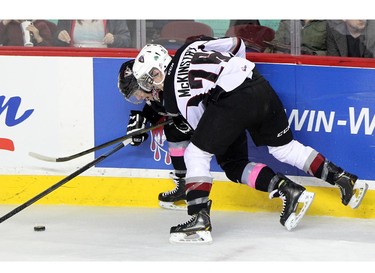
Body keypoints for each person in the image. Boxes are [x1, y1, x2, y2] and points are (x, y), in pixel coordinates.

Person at [130, 37, 368, 244]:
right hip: (257, 84)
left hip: (230, 102)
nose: (152, 86)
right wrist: (235, 75)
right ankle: (341, 178)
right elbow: (237, 44)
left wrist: (225, 103)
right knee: (283, 149)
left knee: (196, 154)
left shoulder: (171, 98)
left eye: (150, 79)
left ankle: (199, 220)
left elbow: (201, 130)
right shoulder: (189, 47)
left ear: (157, 69)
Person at [118, 59, 189, 210]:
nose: (138, 97)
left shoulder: (168, 87)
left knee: (173, 130)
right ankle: (183, 183)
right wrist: (141, 122)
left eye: (136, 91)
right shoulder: (156, 92)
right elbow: (156, 108)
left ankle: (186, 183)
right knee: (173, 130)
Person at [53, 20, 131, 48]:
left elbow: (127, 40)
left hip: (104, 60)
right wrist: (59, 36)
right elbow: (54, 41)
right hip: (74, 60)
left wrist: (114, 39)